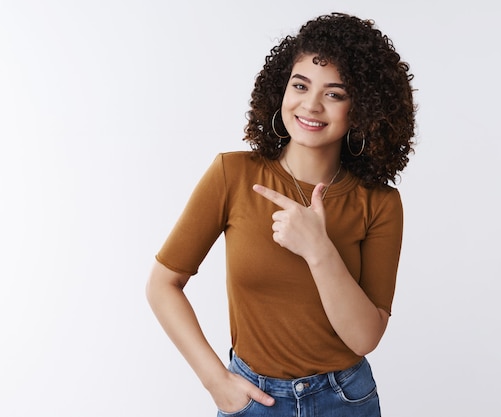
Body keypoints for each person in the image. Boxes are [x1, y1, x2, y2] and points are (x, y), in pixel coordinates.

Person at [146, 12, 415, 417]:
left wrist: (318, 250)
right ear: (280, 90)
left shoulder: (379, 203)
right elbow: (163, 284)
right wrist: (216, 381)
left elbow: (364, 337)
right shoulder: (232, 175)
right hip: (253, 399)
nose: (311, 104)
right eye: (300, 85)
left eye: (335, 93)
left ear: (362, 109)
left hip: (345, 400)